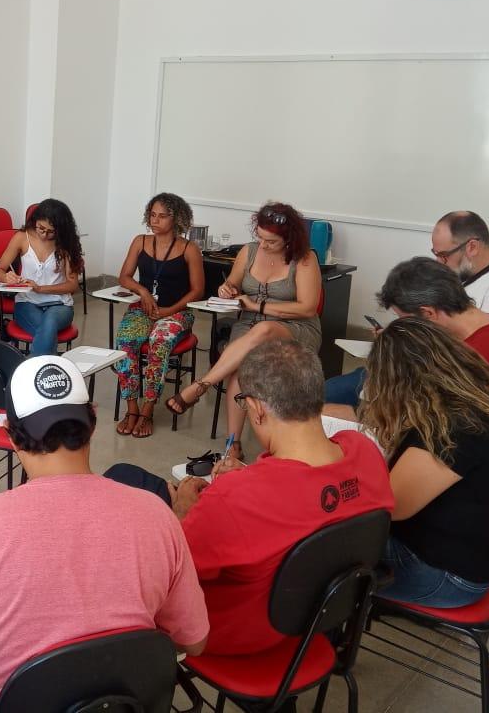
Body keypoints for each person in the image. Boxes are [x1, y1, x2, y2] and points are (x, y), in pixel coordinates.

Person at [0, 355, 209, 713]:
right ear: (91, 422)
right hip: (118, 704)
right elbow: (193, 642)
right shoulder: (158, 516)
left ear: (11, 435)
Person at [108, 340, 393, 656]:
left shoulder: (232, 498)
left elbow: (170, 575)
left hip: (241, 635)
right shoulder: (364, 452)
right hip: (319, 618)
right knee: (132, 479)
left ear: (256, 409)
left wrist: (184, 511)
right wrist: (247, 480)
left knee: (124, 490)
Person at [360, 317, 489, 607]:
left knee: (317, 548)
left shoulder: (449, 433)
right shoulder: (481, 400)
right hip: (466, 552)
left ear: (399, 382)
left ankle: (328, 629)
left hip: (446, 577)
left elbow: (386, 508)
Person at [325, 209, 489, 406]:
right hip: (443, 386)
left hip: (464, 406)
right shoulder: (463, 288)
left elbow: (447, 391)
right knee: (329, 394)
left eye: (443, 255)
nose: (439, 262)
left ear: (471, 247)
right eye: (435, 254)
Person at [168, 202, 321, 461]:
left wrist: (257, 304)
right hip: (249, 325)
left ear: (289, 238)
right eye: (259, 237)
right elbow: (232, 283)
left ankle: (201, 385)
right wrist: (226, 289)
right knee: (239, 365)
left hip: (295, 329)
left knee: (264, 328)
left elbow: (307, 308)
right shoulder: (249, 252)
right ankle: (233, 444)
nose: (263, 245)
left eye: (270, 241)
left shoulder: (304, 259)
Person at [112, 193, 205, 438]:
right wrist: (142, 291)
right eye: (152, 215)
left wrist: (169, 311)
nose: (155, 220)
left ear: (177, 219)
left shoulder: (189, 249)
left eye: (162, 216)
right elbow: (124, 277)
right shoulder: (140, 241)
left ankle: (147, 409)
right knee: (125, 341)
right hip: (144, 309)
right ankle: (131, 407)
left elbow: (197, 290)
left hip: (177, 313)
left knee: (159, 342)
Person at [0, 198, 83, 357]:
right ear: (35, 221)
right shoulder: (22, 237)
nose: (44, 234)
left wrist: (40, 288)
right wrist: (7, 277)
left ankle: (27, 374)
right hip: (26, 302)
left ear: (61, 229)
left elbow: (72, 285)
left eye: (51, 231)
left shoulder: (65, 243)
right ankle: (46, 373)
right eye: (41, 228)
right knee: (47, 329)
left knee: (49, 322)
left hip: (60, 304)